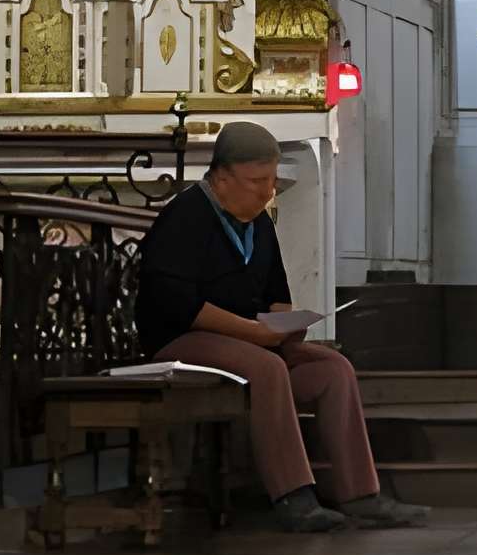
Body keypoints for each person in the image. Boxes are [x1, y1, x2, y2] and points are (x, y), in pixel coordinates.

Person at [137, 122, 426, 532]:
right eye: (257, 181)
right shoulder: (187, 216)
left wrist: (285, 325)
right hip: (182, 340)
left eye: (272, 180)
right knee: (267, 368)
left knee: (331, 368)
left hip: (249, 340)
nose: (267, 191)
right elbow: (177, 303)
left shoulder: (259, 223)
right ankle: (293, 498)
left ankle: (361, 494)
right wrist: (254, 334)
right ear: (221, 177)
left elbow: (277, 290)